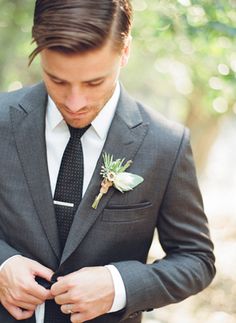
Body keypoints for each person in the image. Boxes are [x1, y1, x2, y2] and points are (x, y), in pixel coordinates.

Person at [0, 1, 215, 322]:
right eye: (57, 80)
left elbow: (196, 259)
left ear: (125, 51)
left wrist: (120, 286)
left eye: (94, 83)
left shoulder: (166, 144)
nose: (75, 103)